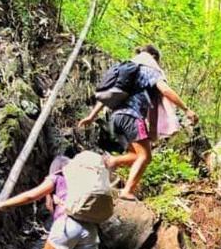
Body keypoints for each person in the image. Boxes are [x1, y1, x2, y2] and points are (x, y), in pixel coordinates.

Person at [78, 45, 198, 200]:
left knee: (135, 155)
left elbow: (107, 96)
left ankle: (108, 164)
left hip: (116, 119)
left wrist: (92, 116)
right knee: (145, 156)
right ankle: (125, 187)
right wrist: (186, 109)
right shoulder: (149, 70)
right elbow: (166, 90)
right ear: (154, 57)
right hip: (132, 118)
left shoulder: (128, 72)